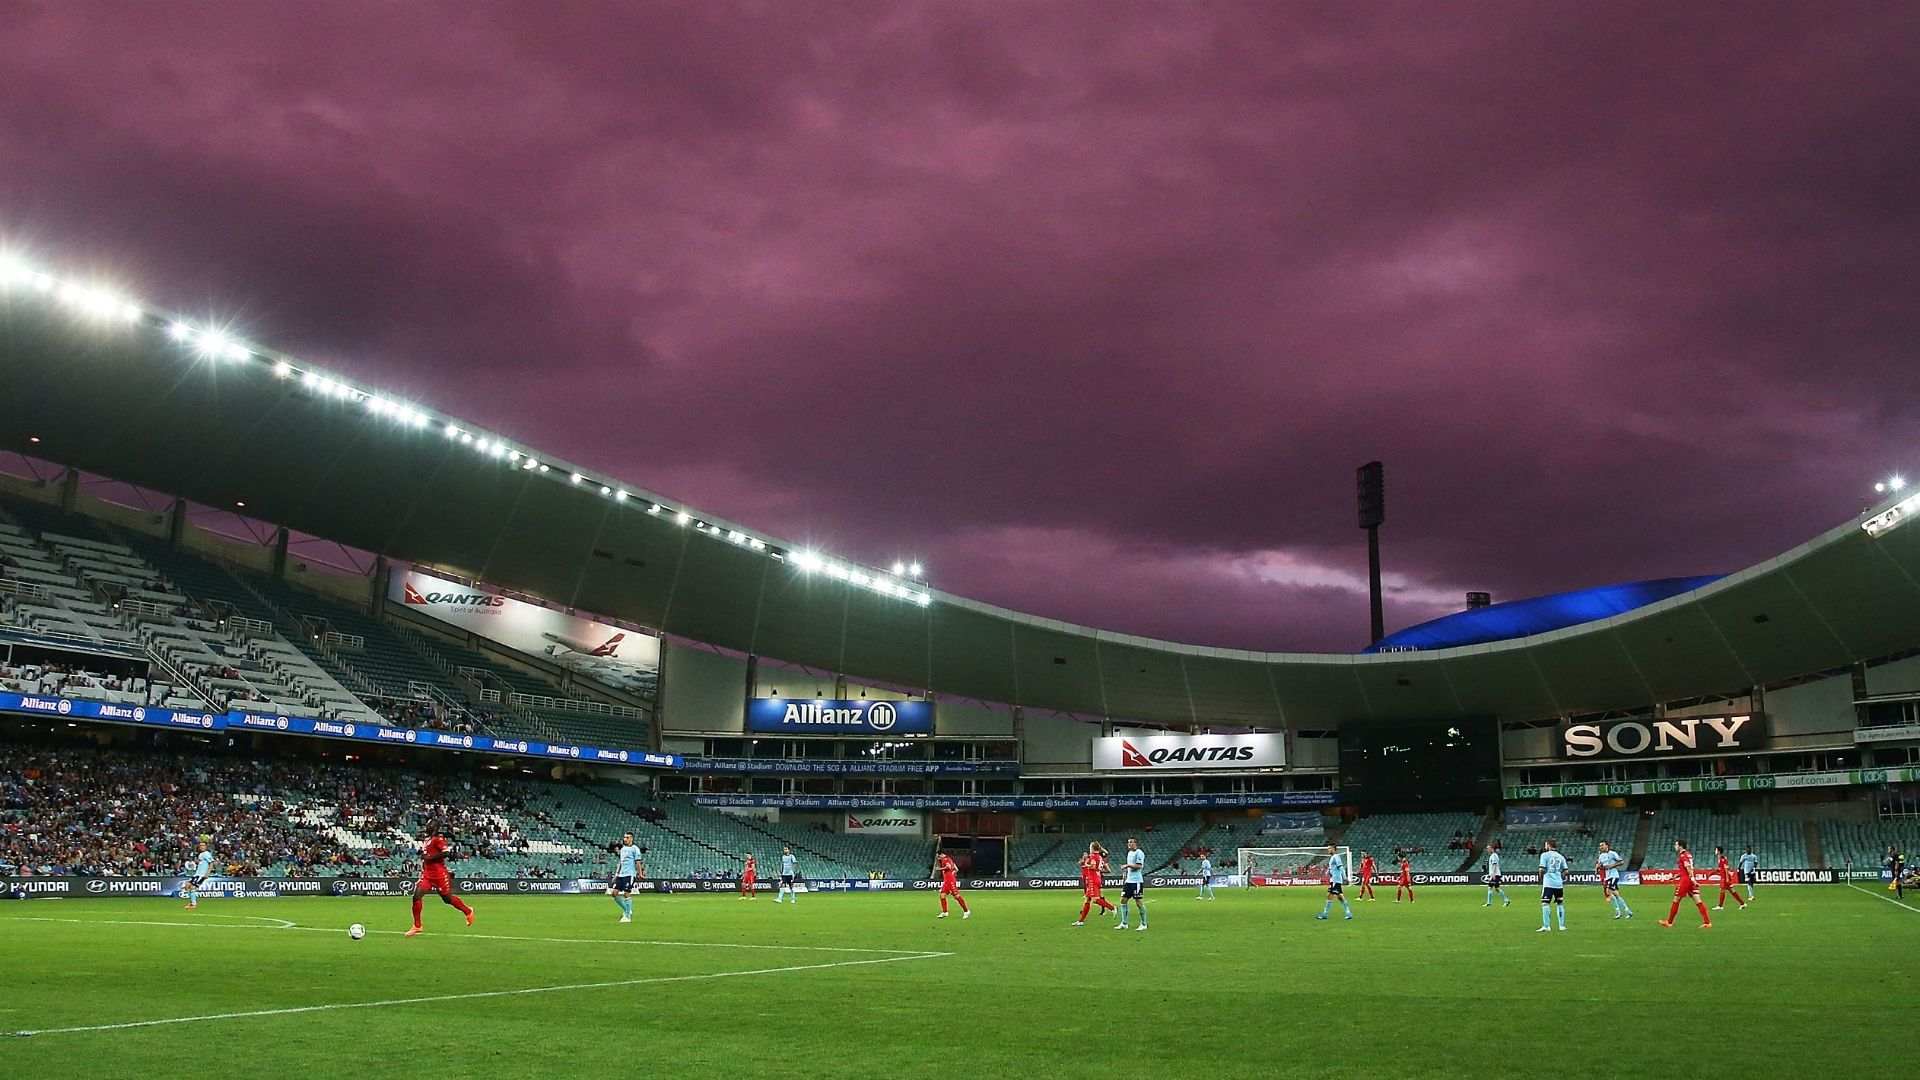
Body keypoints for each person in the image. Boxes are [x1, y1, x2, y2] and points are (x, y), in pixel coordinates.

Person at [404, 819, 474, 938]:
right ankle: (417, 925)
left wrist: (429, 857)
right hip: (427, 874)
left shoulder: (439, 839)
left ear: (435, 827)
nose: (427, 826)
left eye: (430, 824)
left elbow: (447, 853)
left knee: (447, 899)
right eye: (427, 824)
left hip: (439, 874)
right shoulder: (427, 840)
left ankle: (468, 911)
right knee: (416, 896)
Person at [1658, 839, 1712, 929]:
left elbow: (1688, 868)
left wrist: (1692, 879)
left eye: (1676, 845)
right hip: (1688, 880)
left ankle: (1669, 922)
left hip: (1686, 881)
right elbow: (1685, 870)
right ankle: (1707, 922)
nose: (1675, 846)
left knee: (1676, 900)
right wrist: (1676, 876)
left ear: (1680, 846)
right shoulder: (1687, 855)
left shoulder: (1683, 856)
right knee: (1698, 900)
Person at [1074, 841, 1114, 925]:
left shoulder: (1093, 856)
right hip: (1097, 878)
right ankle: (1081, 921)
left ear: (1092, 848)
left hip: (1093, 879)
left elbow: (1092, 866)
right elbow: (1105, 869)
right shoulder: (1100, 857)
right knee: (1087, 899)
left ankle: (1112, 908)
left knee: (1095, 899)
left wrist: (1086, 864)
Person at [610, 833, 643, 923]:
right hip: (621, 875)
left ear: (631, 839)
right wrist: (616, 875)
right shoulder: (623, 849)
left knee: (626, 893)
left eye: (627, 837)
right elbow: (620, 863)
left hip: (630, 874)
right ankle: (627, 909)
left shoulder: (635, 849)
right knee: (614, 893)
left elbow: (638, 862)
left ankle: (627, 916)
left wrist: (640, 873)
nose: (625, 839)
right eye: (624, 837)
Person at [1537, 837, 1568, 932]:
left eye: (1546, 845)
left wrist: (1541, 877)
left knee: (1545, 903)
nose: (1545, 846)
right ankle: (1562, 926)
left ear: (1549, 845)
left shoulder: (1544, 855)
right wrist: (1560, 876)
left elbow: (1542, 869)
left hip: (1549, 883)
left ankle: (1546, 926)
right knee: (1560, 903)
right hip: (1558, 883)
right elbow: (1566, 871)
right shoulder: (1560, 856)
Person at [1315, 845, 1354, 921]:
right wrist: (1329, 872)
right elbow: (1333, 868)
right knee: (1340, 897)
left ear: (1334, 849)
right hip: (1334, 880)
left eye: (1329, 848)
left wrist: (1345, 878)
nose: (1328, 850)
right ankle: (1348, 913)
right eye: (1328, 848)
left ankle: (1325, 914)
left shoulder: (1336, 856)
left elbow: (1341, 867)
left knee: (1329, 895)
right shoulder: (1332, 857)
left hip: (1336, 880)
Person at [1116, 837, 1147, 930]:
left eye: (1131, 842)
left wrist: (1128, 865)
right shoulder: (1129, 853)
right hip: (1129, 881)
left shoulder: (1139, 853)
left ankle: (1144, 924)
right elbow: (1128, 866)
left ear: (1135, 843)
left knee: (1138, 901)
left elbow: (1139, 866)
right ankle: (1124, 923)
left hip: (1136, 881)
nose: (1129, 844)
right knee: (1123, 900)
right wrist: (1125, 874)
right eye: (1128, 842)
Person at [1596, 840, 1633, 920]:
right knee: (1616, 894)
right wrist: (1599, 867)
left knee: (1608, 892)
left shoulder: (1612, 853)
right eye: (1600, 846)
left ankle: (1618, 912)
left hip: (1614, 875)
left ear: (1607, 845)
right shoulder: (1601, 856)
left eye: (1602, 845)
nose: (1601, 847)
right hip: (1608, 876)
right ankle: (1628, 911)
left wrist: (1612, 865)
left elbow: (1621, 862)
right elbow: (1602, 866)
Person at [934, 852, 969, 919]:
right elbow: (956, 869)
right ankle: (945, 912)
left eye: (939, 857)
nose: (939, 858)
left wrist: (939, 869)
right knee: (942, 896)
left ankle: (966, 911)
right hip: (947, 881)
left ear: (942, 854)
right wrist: (952, 873)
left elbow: (948, 867)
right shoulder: (950, 859)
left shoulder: (945, 860)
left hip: (950, 881)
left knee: (956, 896)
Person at [1712, 846, 1748, 911]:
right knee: (1732, 891)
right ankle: (1742, 903)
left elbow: (1726, 869)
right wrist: (1713, 872)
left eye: (1716, 850)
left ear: (1719, 852)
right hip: (1724, 877)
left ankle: (1720, 906)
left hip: (1725, 878)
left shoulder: (1723, 859)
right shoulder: (1720, 859)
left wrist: (1727, 878)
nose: (1715, 851)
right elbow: (1721, 868)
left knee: (1723, 890)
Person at [182, 841, 214, 910]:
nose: (202, 847)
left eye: (203, 845)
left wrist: (208, 873)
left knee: (193, 887)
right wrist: (197, 861)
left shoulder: (207, 853)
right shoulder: (200, 854)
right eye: (201, 845)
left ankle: (194, 904)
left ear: (206, 847)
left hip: (202, 874)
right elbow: (200, 862)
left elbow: (211, 863)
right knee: (187, 884)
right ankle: (192, 902)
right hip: (197, 874)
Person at [1483, 842, 1511, 908]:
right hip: (1495, 874)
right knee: (1496, 888)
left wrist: (1493, 874)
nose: (1487, 850)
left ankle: (1489, 903)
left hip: (1495, 874)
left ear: (1492, 848)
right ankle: (1506, 900)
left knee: (1491, 887)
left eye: (1488, 848)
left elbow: (1495, 865)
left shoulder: (1494, 855)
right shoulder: (1492, 855)